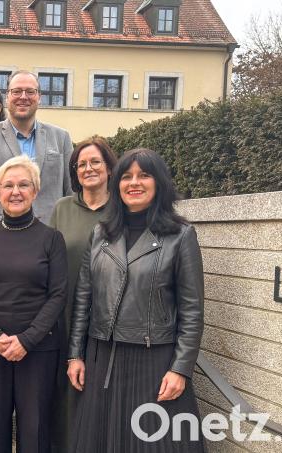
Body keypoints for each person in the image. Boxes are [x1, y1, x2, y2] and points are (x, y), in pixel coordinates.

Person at [67, 148, 205, 452]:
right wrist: (75, 354)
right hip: (102, 358)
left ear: (159, 183)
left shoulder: (180, 236)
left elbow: (192, 311)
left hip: (154, 362)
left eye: (144, 175)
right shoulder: (101, 233)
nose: (134, 183)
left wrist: (181, 368)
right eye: (126, 176)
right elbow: (83, 298)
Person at [0, 155, 67, 453]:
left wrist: (27, 339)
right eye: (8, 185)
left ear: (35, 191)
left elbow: (58, 294)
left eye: (23, 184)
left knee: (34, 429)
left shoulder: (51, 239)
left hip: (38, 348)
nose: (15, 191)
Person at [47, 135, 118, 451]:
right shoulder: (62, 208)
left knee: (101, 392)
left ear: (108, 167)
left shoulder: (122, 209)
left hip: (109, 317)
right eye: (81, 164)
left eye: (95, 162)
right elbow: (47, 257)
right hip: (64, 315)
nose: (88, 169)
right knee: (65, 392)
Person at [0, 70, 73, 232]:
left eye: (30, 91)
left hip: (51, 234)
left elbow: (71, 192)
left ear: (39, 97)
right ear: (7, 97)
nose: (23, 97)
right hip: (2, 235)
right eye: (16, 91)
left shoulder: (61, 138)